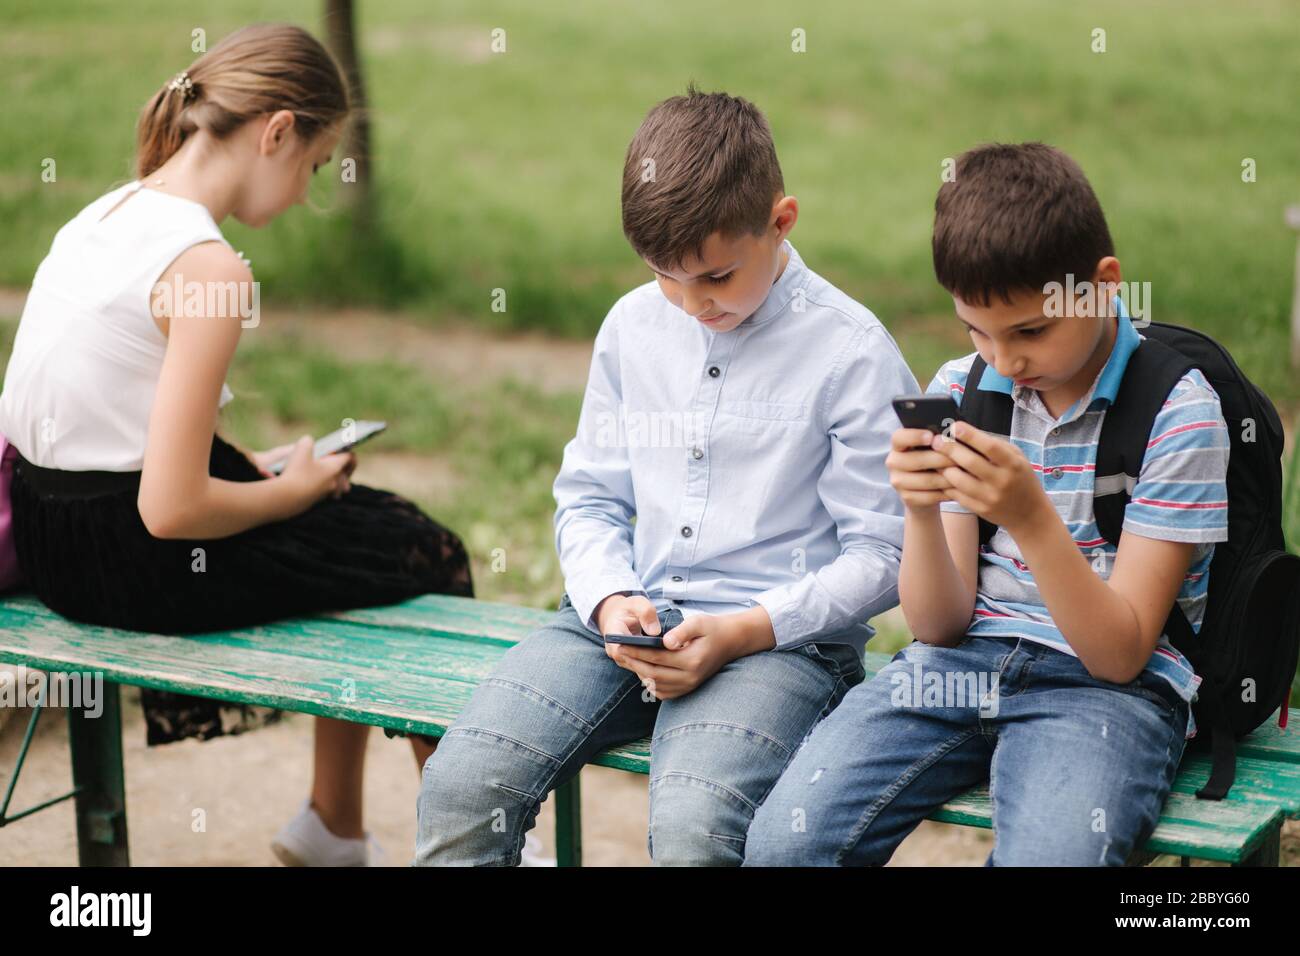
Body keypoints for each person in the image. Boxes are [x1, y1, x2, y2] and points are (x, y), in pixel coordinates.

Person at [0, 23, 475, 866]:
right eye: (315, 165)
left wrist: (255, 469)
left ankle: (333, 827)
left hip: (48, 533)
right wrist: (292, 494)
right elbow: (172, 507)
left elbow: (118, 418)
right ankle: (472, 846)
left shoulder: (105, 212)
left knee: (356, 532)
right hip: (126, 559)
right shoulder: (211, 267)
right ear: (278, 130)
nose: (307, 191)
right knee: (420, 550)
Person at [413, 87, 918, 866]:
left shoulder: (850, 351)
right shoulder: (632, 326)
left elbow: (885, 555)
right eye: (665, 276)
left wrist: (747, 629)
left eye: (715, 277)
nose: (689, 303)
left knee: (694, 835)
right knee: (461, 787)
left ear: (781, 223)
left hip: (777, 647)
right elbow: (589, 495)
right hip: (617, 627)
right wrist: (612, 595)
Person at [744, 142, 1230, 866]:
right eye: (977, 330)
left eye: (1030, 330)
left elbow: (1120, 656)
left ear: (1101, 286)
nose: (1005, 360)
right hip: (957, 663)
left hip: (1104, 694)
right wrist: (918, 507)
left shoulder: (1178, 413)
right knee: (788, 844)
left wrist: (1032, 519)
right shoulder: (968, 389)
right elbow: (938, 624)